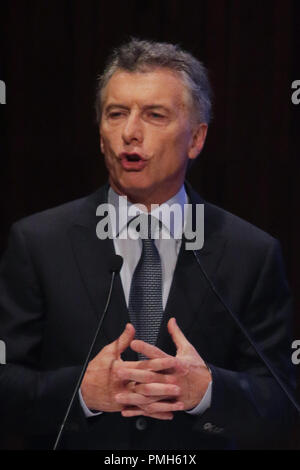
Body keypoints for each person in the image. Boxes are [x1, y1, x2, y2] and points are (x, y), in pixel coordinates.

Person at [0, 39, 296, 450]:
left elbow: (283, 401)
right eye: (116, 114)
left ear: (196, 139)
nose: (129, 133)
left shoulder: (252, 254)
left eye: (154, 115)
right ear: (101, 134)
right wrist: (81, 393)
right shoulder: (37, 243)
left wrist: (208, 391)